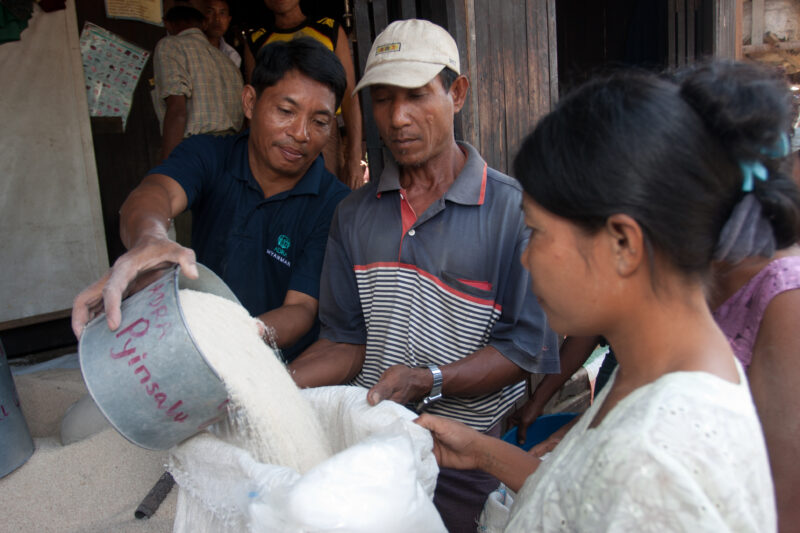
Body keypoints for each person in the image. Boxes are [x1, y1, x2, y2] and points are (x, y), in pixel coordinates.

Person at [417, 59, 796, 531]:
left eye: (536, 233)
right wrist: (479, 450)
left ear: (623, 244)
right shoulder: (654, 374)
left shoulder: (653, 458)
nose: (525, 259)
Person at [288, 19, 560, 532]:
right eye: (384, 100)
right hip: (373, 446)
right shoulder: (354, 214)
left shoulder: (514, 212)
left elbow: (523, 351)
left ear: (456, 93)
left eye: (416, 96)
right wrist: (274, 389)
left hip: (466, 454)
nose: (398, 118)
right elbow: (345, 342)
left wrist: (428, 379)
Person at [72, 38, 351, 363]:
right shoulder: (210, 155)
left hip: (272, 362)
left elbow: (301, 308)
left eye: (319, 122)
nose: (301, 133)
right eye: (286, 111)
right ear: (250, 102)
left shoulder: (334, 204)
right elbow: (155, 193)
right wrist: (149, 239)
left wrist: (228, 336)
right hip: (196, 346)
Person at [244, 0, 364, 190]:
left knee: (324, 199)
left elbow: (350, 96)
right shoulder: (256, 40)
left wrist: (354, 158)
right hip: (275, 135)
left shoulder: (329, 29)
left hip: (324, 133)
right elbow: (256, 106)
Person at [153, 1, 243, 162]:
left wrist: (167, 166)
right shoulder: (228, 61)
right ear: (204, 23)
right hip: (232, 151)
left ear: (167, 23)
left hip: (196, 151)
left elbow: (177, 110)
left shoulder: (170, 45)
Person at [203, 0, 241, 68]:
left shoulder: (232, 55)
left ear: (229, 20)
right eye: (210, 12)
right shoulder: (191, 47)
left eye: (222, 13)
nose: (217, 18)